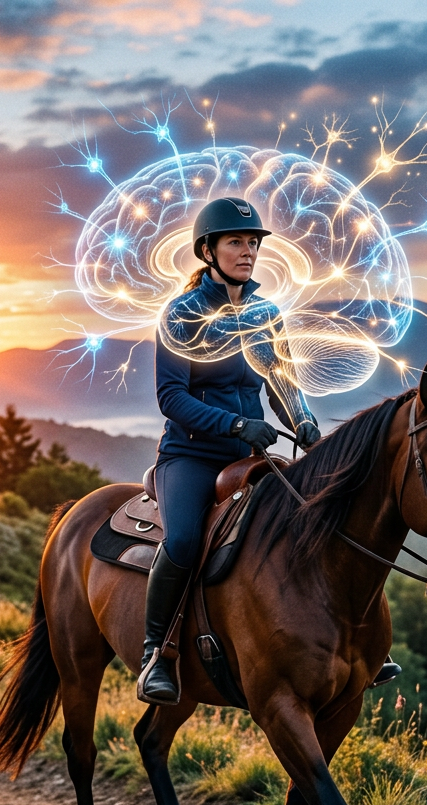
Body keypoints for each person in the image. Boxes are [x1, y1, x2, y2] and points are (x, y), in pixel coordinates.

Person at [136, 197, 320, 705]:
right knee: (184, 542)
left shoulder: (265, 314)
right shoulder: (181, 314)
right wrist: (237, 422)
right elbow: (170, 397)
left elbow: (281, 378)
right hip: (191, 457)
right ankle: (157, 652)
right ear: (208, 250)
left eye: (253, 242)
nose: (248, 251)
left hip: (250, 455)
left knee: (315, 516)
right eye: (236, 241)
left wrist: (301, 422)